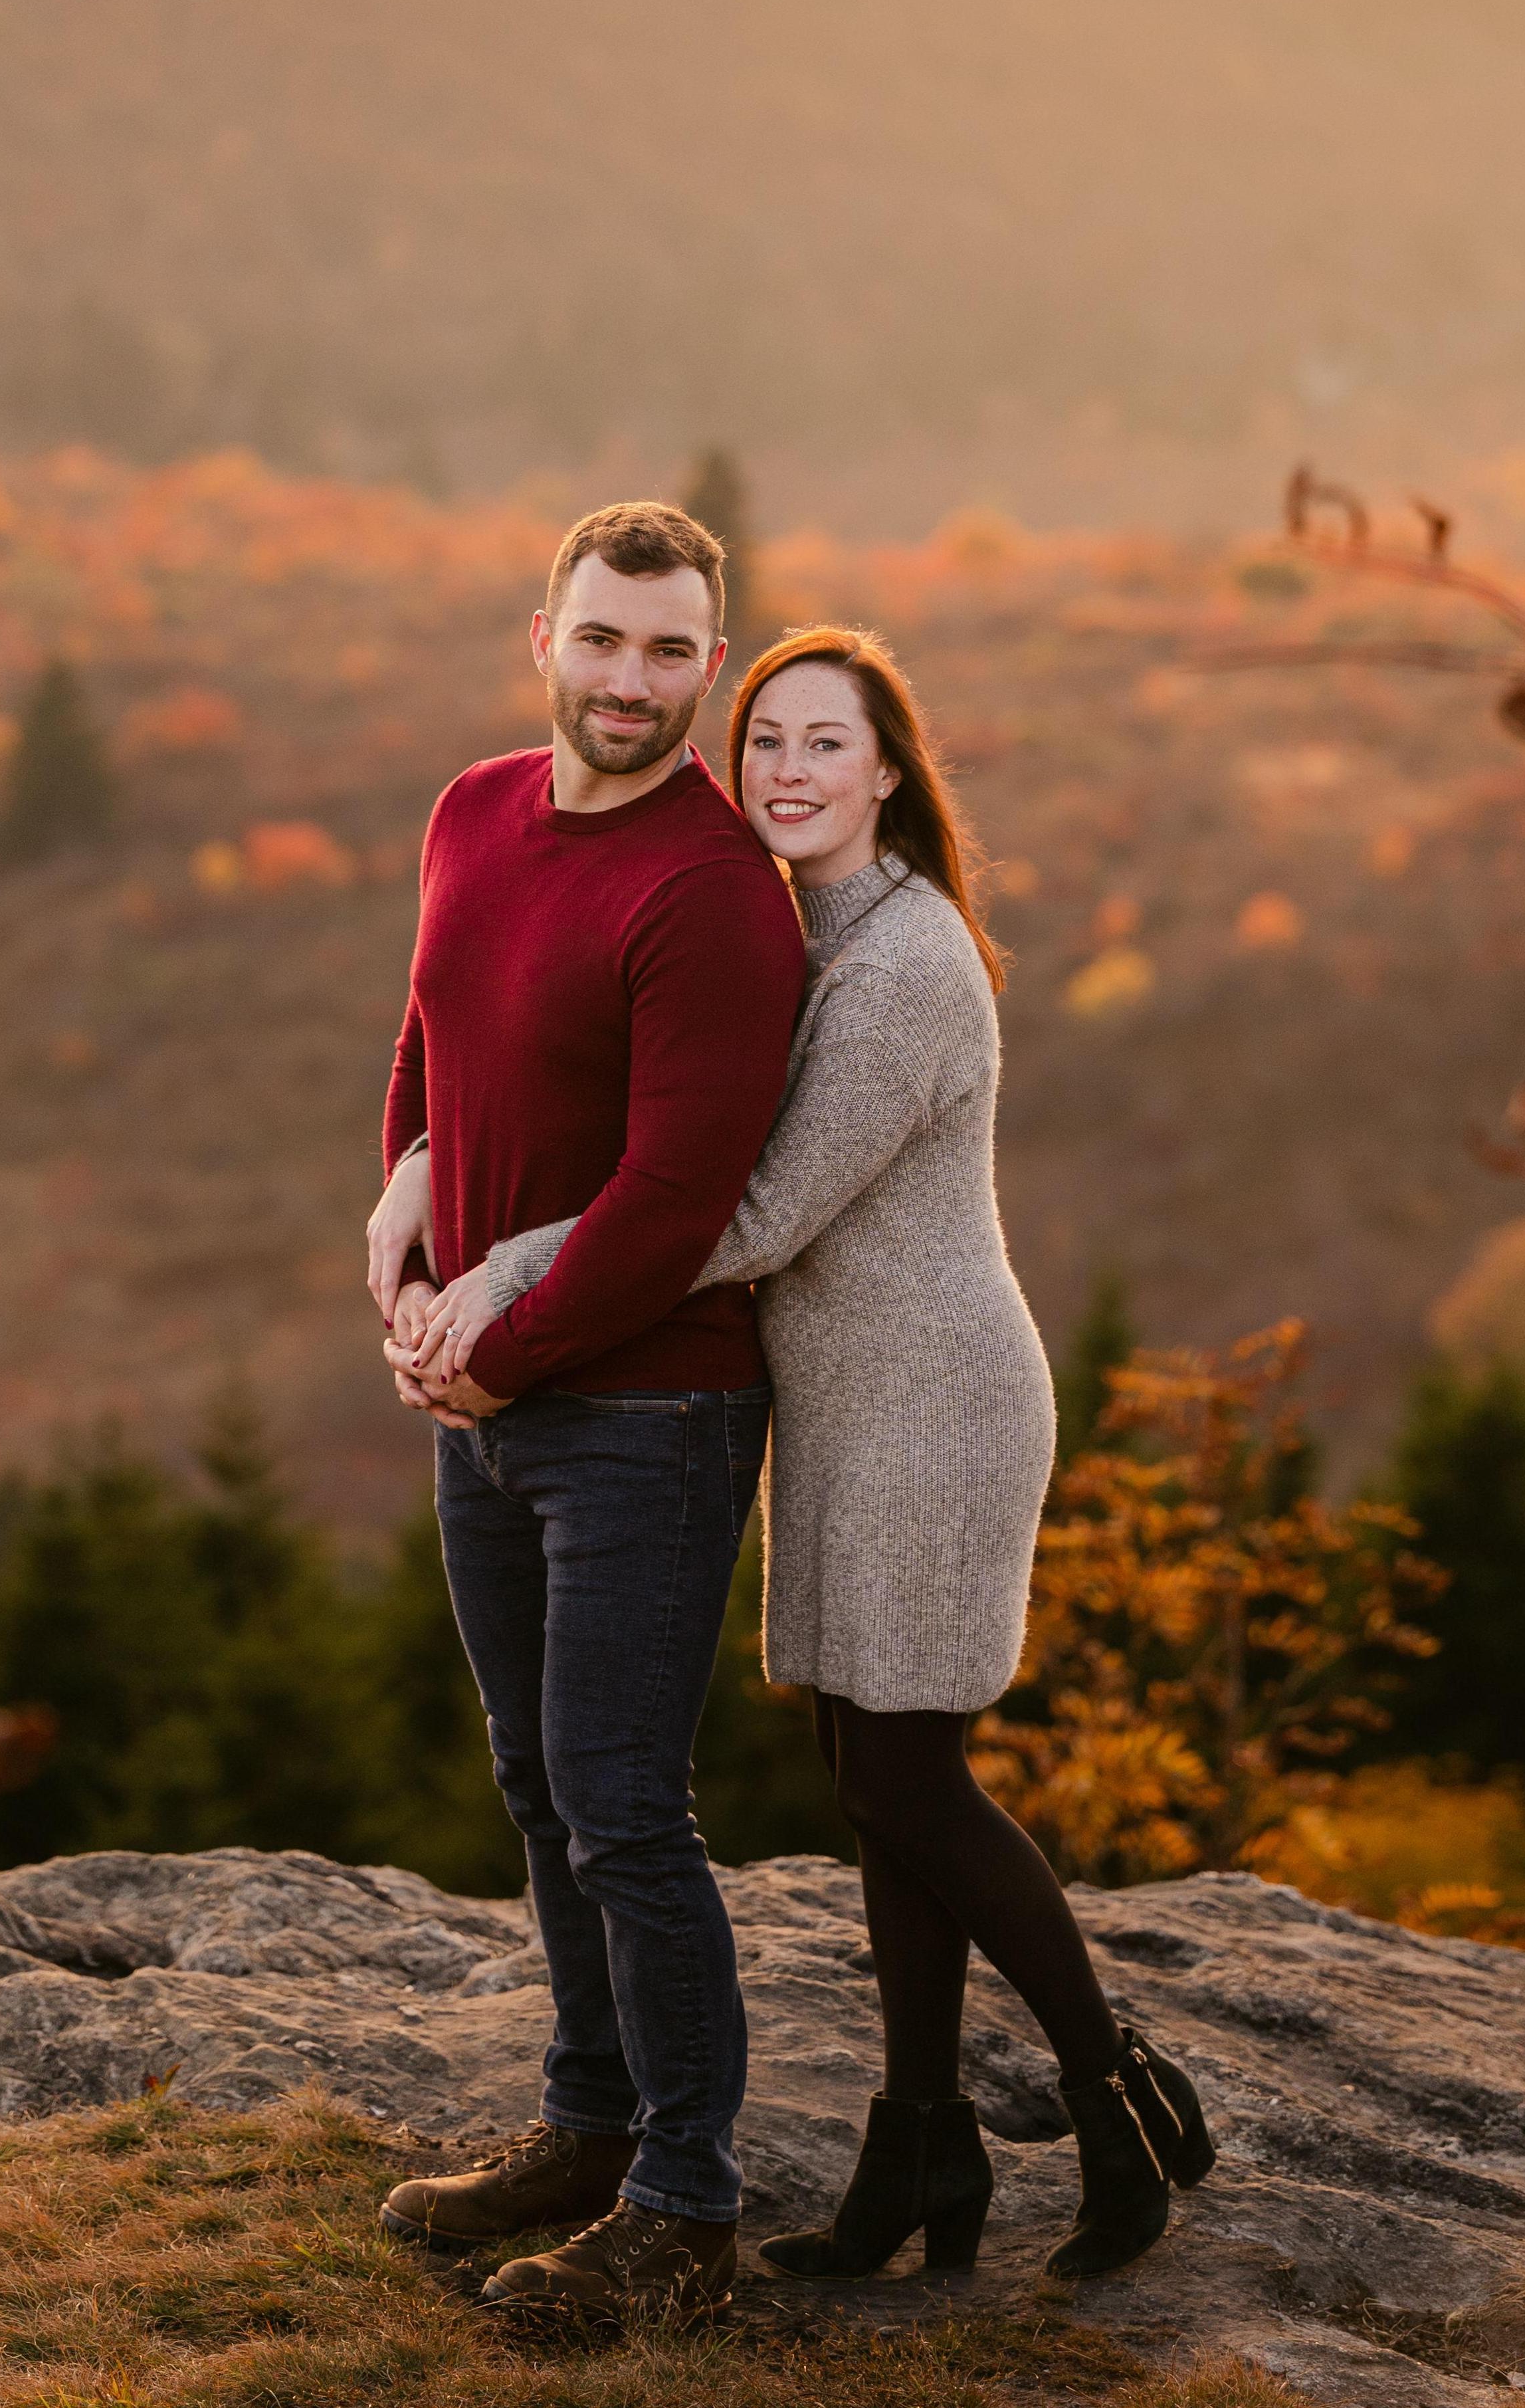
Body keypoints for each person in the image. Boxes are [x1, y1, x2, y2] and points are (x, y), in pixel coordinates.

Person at [401, 627, 1215, 2284]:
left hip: (931, 1402)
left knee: (908, 1776)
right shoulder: (811, 928)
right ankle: (918, 2147)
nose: (783, 770)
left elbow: (746, 1211)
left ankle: (1112, 2098)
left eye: (824, 746)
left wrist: (505, 1270)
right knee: (873, 1780)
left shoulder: (904, 965)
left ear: (890, 773)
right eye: (763, 739)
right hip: (841, 1400)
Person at [362, 500, 806, 2329]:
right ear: (541, 636)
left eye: (670, 650)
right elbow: (428, 1029)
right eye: (602, 640)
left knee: (625, 1803)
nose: (631, 681)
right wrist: (393, 1199)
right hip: (484, 1392)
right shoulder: (472, 809)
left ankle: (686, 2209)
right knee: (539, 1790)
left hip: (643, 1411)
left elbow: (672, 1200)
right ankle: (588, 2120)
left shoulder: (715, 895)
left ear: (709, 666)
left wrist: (500, 1353)